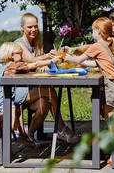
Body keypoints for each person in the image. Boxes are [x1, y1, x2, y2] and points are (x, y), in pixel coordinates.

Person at [15, 13, 79, 144]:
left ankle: (29, 135)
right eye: (30, 27)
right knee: (49, 91)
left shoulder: (33, 43)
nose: (33, 30)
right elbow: (32, 60)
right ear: (22, 27)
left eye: (36, 27)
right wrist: (48, 57)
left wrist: (44, 65)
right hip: (16, 90)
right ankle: (62, 129)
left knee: (44, 104)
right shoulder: (19, 44)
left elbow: (30, 65)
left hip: (29, 89)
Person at [0, 42, 61, 148]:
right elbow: (34, 65)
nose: (22, 57)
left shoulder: (3, 65)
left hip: (3, 97)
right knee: (13, 122)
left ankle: (18, 137)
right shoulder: (13, 65)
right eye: (20, 54)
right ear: (12, 55)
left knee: (15, 122)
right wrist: (52, 61)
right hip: (2, 99)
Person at [63, 17, 114, 119]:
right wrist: (81, 62)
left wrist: (65, 56)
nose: (91, 33)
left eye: (92, 30)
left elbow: (79, 60)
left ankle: (113, 134)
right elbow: (97, 63)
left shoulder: (97, 46)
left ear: (98, 30)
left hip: (112, 85)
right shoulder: (108, 43)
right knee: (110, 112)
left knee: (110, 115)